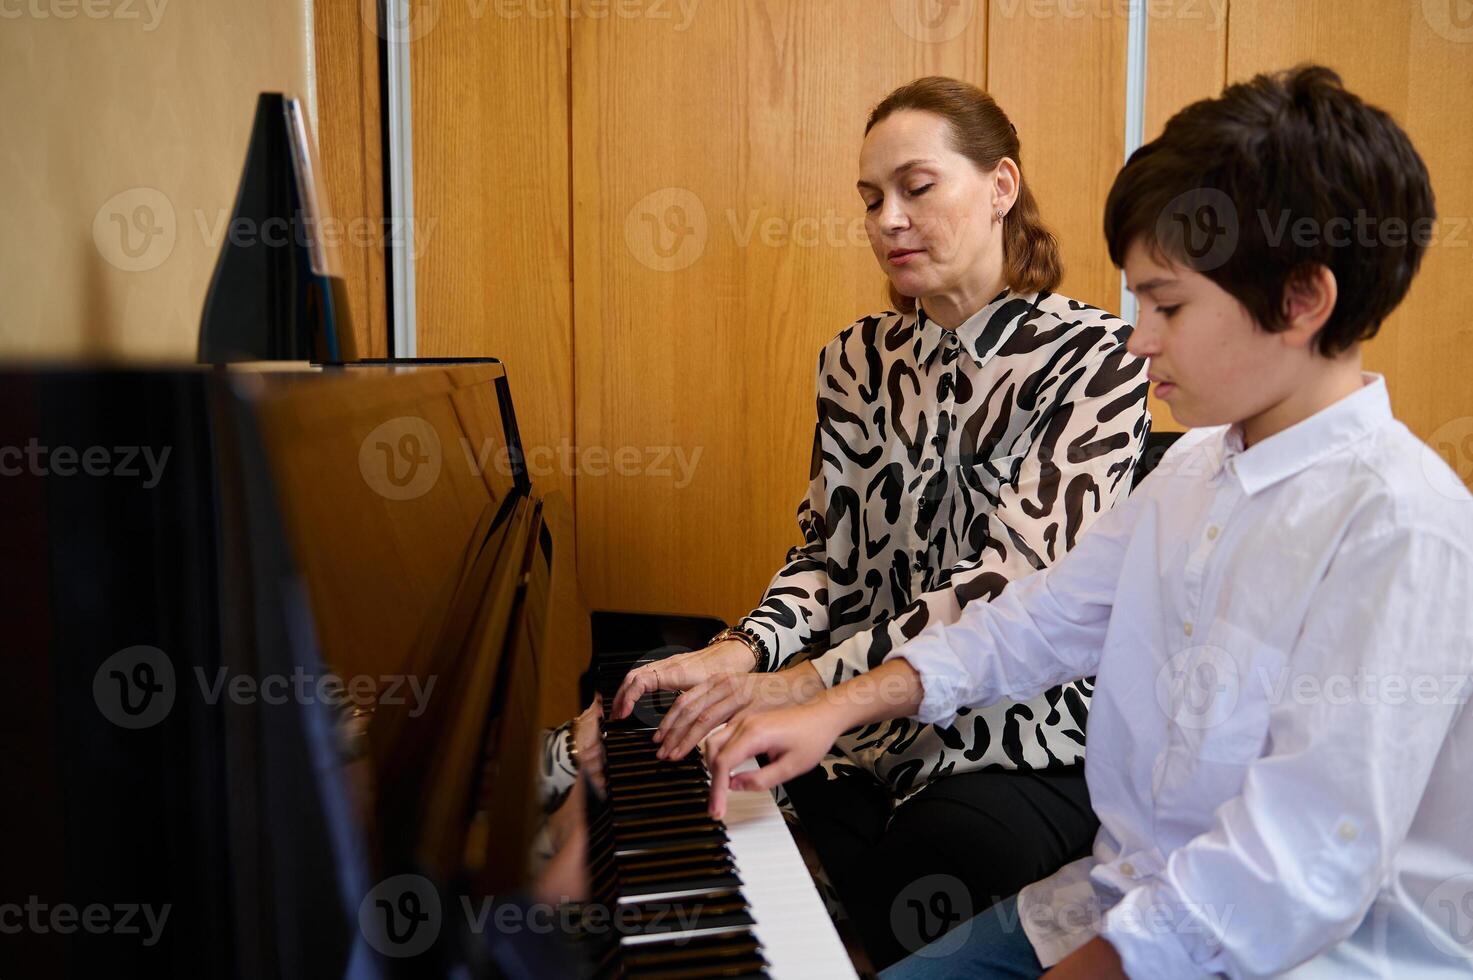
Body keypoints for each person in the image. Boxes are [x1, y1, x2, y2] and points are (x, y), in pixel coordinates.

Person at [705, 64, 1473, 978]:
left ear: (1301, 301)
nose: (1139, 337)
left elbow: (1287, 877)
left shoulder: (1404, 530)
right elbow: (1033, 622)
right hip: (1112, 896)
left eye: (1168, 304)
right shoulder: (1190, 471)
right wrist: (830, 708)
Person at [611, 76, 1150, 968]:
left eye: (916, 186)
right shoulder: (854, 360)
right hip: (863, 728)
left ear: (1000, 188)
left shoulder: (1094, 359)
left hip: (1020, 739)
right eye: (870, 199)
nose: (887, 219)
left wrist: (804, 684)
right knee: (688, 786)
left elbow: (1006, 587)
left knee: (913, 880)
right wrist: (741, 652)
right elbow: (827, 557)